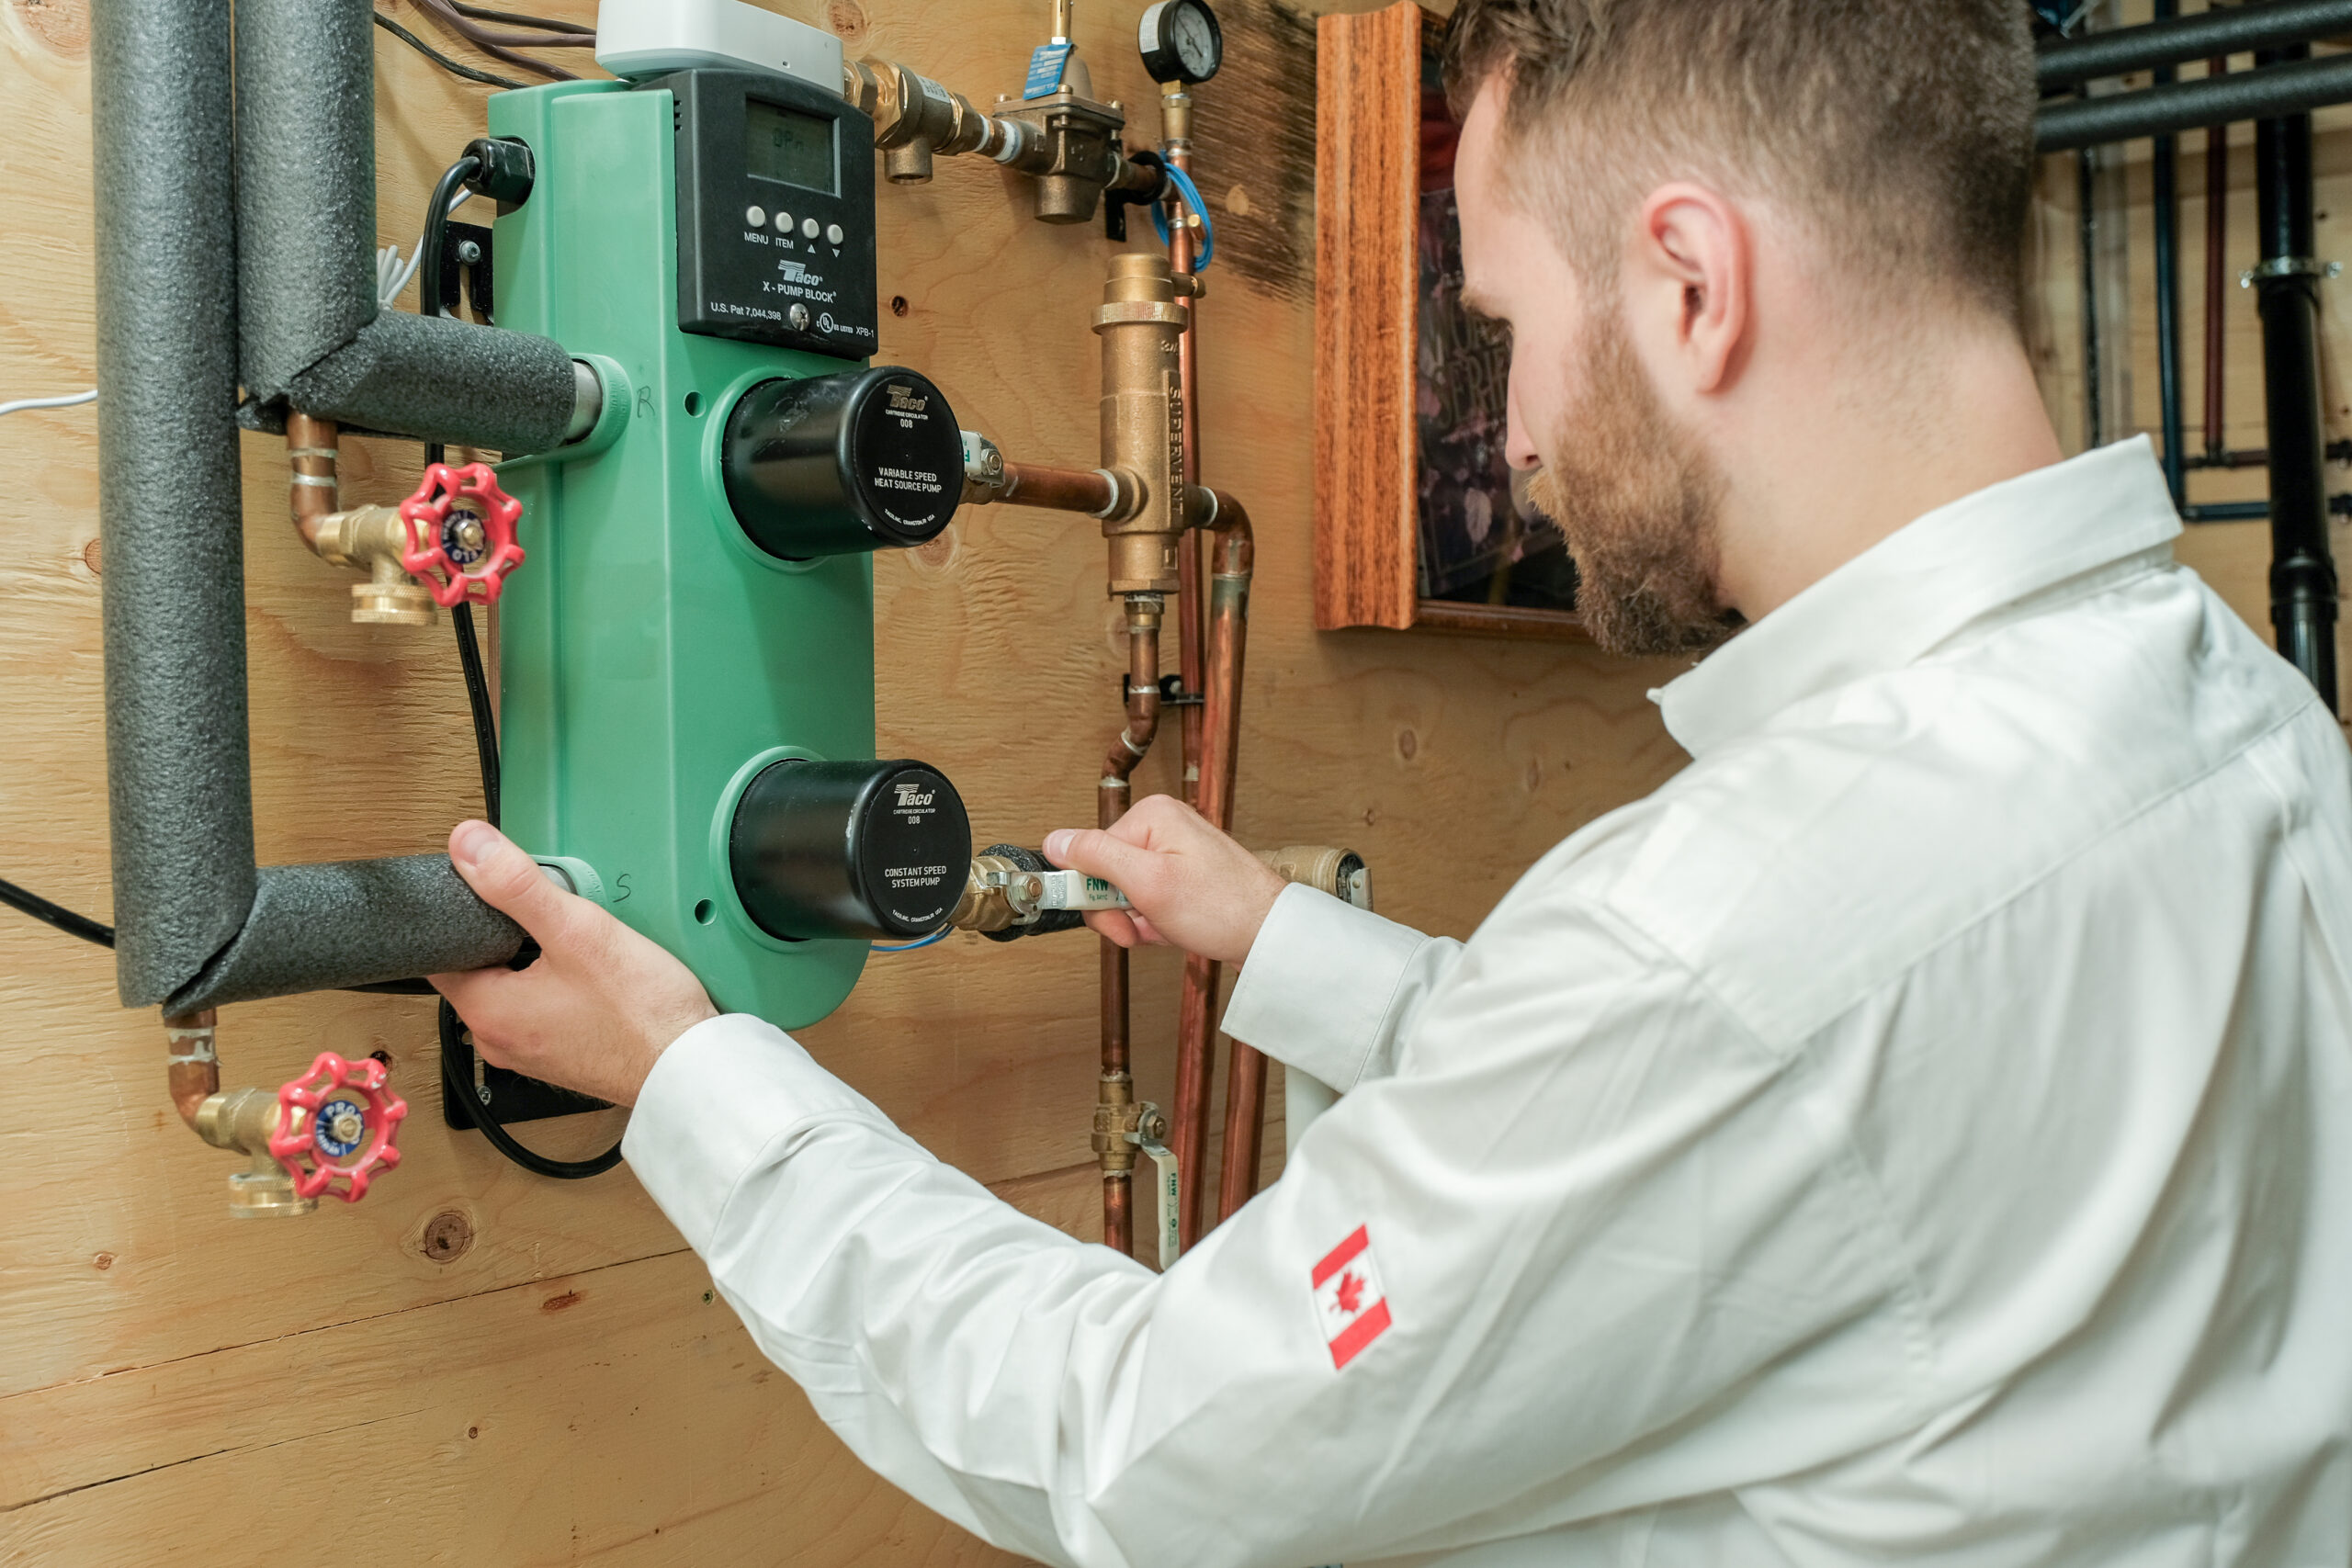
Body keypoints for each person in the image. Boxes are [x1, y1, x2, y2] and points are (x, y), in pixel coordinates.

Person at [431, 0, 2352, 1562]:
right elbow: (1741, 1127)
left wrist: (691, 1075)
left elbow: (1136, 1444)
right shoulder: (2246, 722)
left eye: (1503, 328)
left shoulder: (1737, 928)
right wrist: (1288, 943)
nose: (1513, 434)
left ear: (1692, 283)